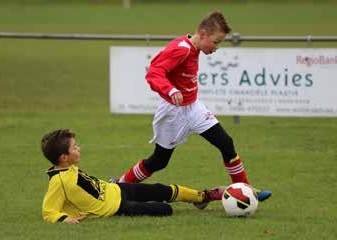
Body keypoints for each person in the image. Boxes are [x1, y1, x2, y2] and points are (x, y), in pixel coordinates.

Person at [111, 11, 271, 201]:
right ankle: (120, 185)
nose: (217, 47)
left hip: (194, 108)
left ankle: (246, 190)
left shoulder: (193, 48)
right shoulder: (182, 49)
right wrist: (170, 90)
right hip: (172, 112)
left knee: (226, 143)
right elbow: (154, 72)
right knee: (159, 161)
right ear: (202, 34)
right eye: (216, 42)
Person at [41, 129, 223, 224]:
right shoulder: (58, 181)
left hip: (118, 189)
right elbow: (49, 210)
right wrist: (65, 219)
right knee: (162, 210)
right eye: (74, 147)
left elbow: (85, 189)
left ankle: (202, 197)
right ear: (64, 158)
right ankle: (178, 204)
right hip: (117, 207)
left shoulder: (68, 168)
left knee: (160, 189)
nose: (78, 148)